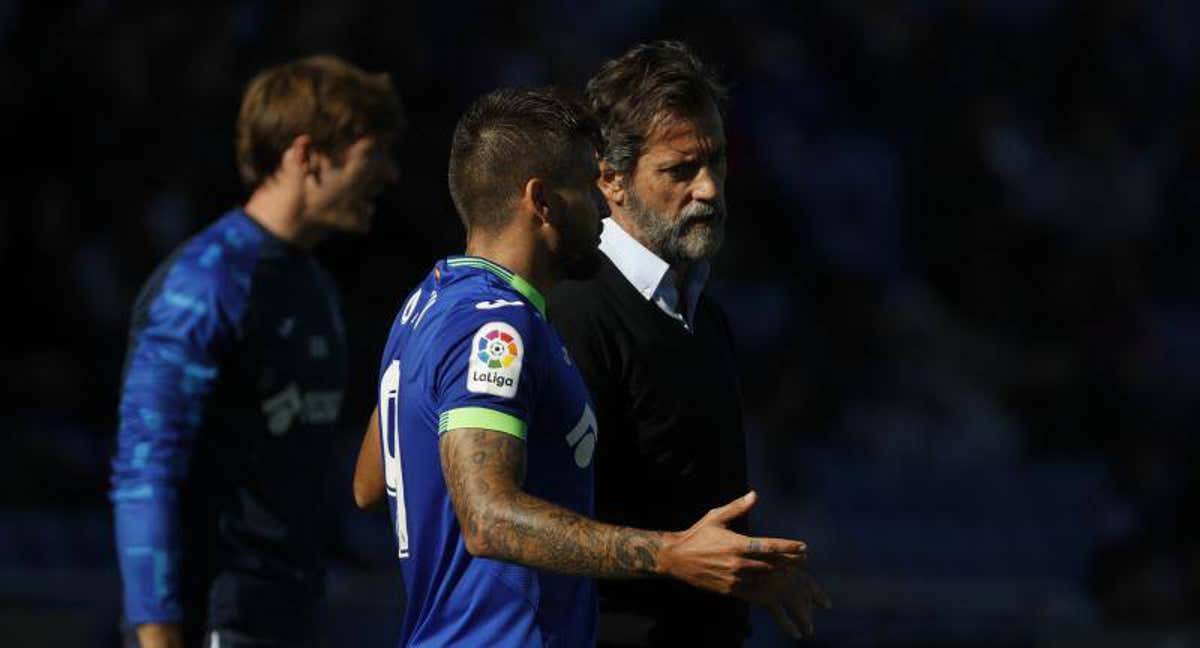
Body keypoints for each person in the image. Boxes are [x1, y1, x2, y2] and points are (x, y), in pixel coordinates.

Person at [354, 86, 807, 647]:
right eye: (583, 184)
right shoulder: (498, 330)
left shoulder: (428, 302)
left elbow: (371, 484)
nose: (601, 203)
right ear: (541, 201)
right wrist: (669, 554)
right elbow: (488, 518)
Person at [110, 55, 402, 648]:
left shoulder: (314, 286)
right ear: (305, 155)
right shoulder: (205, 284)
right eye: (373, 153)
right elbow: (147, 471)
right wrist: (157, 635)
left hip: (291, 612)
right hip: (212, 618)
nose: (389, 174)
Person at [546, 41, 830, 646]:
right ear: (611, 179)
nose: (709, 189)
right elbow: (530, 526)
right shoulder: (574, 310)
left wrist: (745, 572)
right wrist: (671, 557)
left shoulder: (705, 315)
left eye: (718, 163)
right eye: (680, 170)